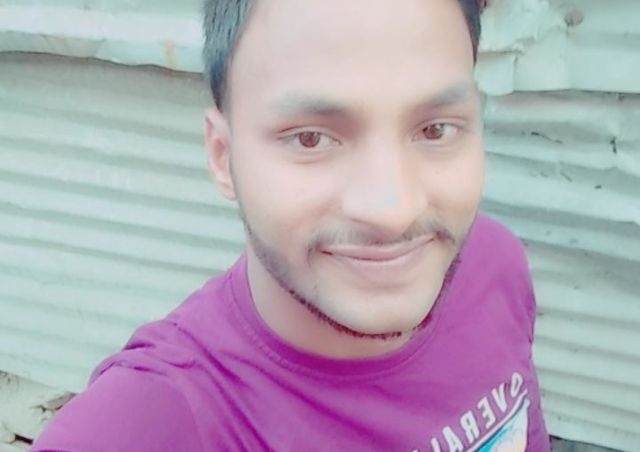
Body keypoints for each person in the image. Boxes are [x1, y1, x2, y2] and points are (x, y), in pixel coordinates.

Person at [32, 0, 550, 450]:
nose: (393, 211)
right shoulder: (157, 420)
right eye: (310, 138)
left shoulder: (494, 264)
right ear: (223, 156)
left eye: (435, 129)